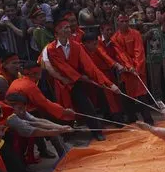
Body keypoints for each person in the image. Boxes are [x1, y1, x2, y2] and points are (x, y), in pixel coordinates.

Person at [41, 13, 120, 141]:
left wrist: (109, 84)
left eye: (68, 27)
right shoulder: (51, 49)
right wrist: (81, 78)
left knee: (87, 105)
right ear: (57, 32)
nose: (68, 29)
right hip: (62, 83)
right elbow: (62, 68)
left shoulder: (76, 47)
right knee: (64, 109)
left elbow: (90, 67)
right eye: (64, 27)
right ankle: (67, 134)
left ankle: (97, 132)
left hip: (75, 82)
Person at [111, 15, 155, 124]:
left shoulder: (136, 33)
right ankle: (132, 119)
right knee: (126, 96)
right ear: (118, 23)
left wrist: (137, 68)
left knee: (141, 95)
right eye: (122, 21)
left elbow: (139, 52)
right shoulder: (115, 38)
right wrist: (129, 67)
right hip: (126, 72)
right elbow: (120, 54)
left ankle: (148, 120)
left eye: (127, 21)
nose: (125, 23)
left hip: (137, 70)